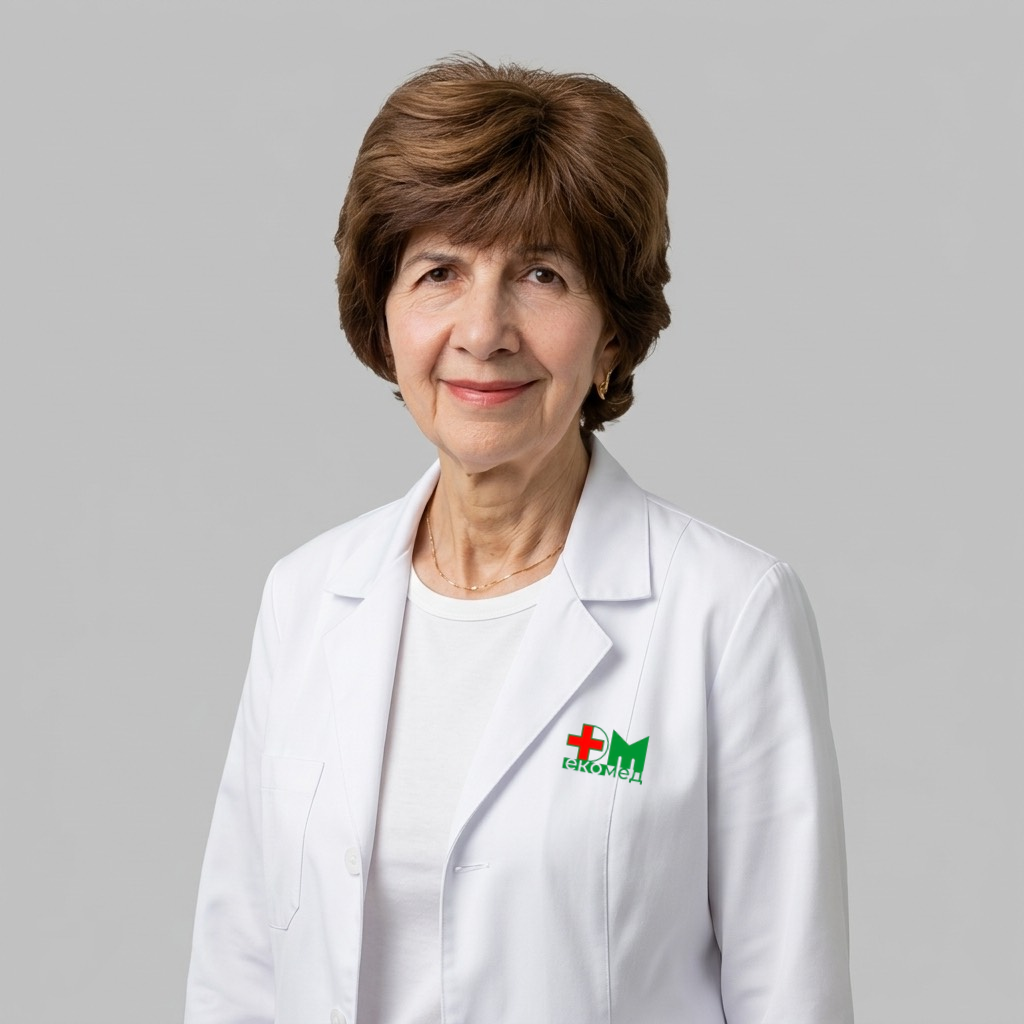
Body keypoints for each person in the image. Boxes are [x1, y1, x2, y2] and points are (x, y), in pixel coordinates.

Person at [184, 57, 853, 1024]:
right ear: (385, 315)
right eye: (439, 273)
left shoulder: (728, 613)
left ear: (612, 333)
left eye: (541, 274)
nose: (484, 329)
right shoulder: (306, 595)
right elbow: (237, 973)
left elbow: (789, 994)